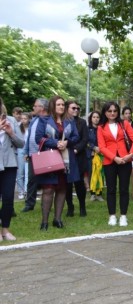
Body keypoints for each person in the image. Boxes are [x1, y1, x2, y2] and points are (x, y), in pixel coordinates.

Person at [34, 95, 80, 230]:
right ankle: (44, 222)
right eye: (58, 104)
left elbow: (76, 136)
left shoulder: (69, 120)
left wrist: (67, 142)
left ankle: (57, 219)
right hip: (50, 159)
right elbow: (38, 138)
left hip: (66, 161)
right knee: (48, 190)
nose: (61, 107)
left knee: (62, 189)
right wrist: (55, 143)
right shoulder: (44, 120)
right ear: (53, 106)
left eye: (62, 104)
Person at [97, 102, 133, 227]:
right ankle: (112, 216)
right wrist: (114, 158)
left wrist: (130, 155)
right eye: (109, 111)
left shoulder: (124, 123)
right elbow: (101, 147)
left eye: (115, 111)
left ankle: (123, 216)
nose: (112, 113)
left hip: (125, 160)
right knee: (111, 189)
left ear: (118, 112)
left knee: (124, 189)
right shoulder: (101, 127)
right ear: (105, 112)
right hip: (110, 161)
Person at [0, 97, 24, 241]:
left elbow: (21, 143)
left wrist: (11, 133)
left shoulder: (11, 120)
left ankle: (5, 230)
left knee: (8, 198)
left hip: (9, 164)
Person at [22, 98, 48, 213]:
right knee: (32, 179)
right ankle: (29, 204)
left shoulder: (48, 120)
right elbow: (29, 138)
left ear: (42, 108)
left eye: (35, 106)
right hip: (33, 154)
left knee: (46, 180)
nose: (33, 108)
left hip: (44, 154)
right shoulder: (33, 120)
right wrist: (26, 151)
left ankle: (46, 203)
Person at [65, 100, 89, 217]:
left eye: (77, 108)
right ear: (67, 109)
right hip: (66, 156)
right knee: (67, 184)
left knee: (79, 183)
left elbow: (85, 139)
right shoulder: (63, 122)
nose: (76, 110)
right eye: (73, 108)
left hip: (79, 156)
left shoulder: (82, 122)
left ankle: (82, 207)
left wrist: (76, 149)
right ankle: (70, 207)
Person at [87, 111, 104, 202]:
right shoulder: (87, 129)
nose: (96, 119)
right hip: (91, 154)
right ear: (91, 118)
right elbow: (85, 141)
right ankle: (93, 193)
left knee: (100, 174)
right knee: (92, 173)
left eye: (97, 117)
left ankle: (99, 193)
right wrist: (93, 148)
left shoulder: (102, 129)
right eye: (94, 117)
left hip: (101, 154)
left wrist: (100, 149)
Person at [16, 112, 30, 200]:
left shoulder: (30, 128)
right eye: (22, 118)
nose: (23, 120)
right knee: (20, 172)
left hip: (28, 150)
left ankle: (26, 191)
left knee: (27, 172)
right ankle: (21, 191)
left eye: (25, 118)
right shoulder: (17, 127)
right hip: (20, 150)